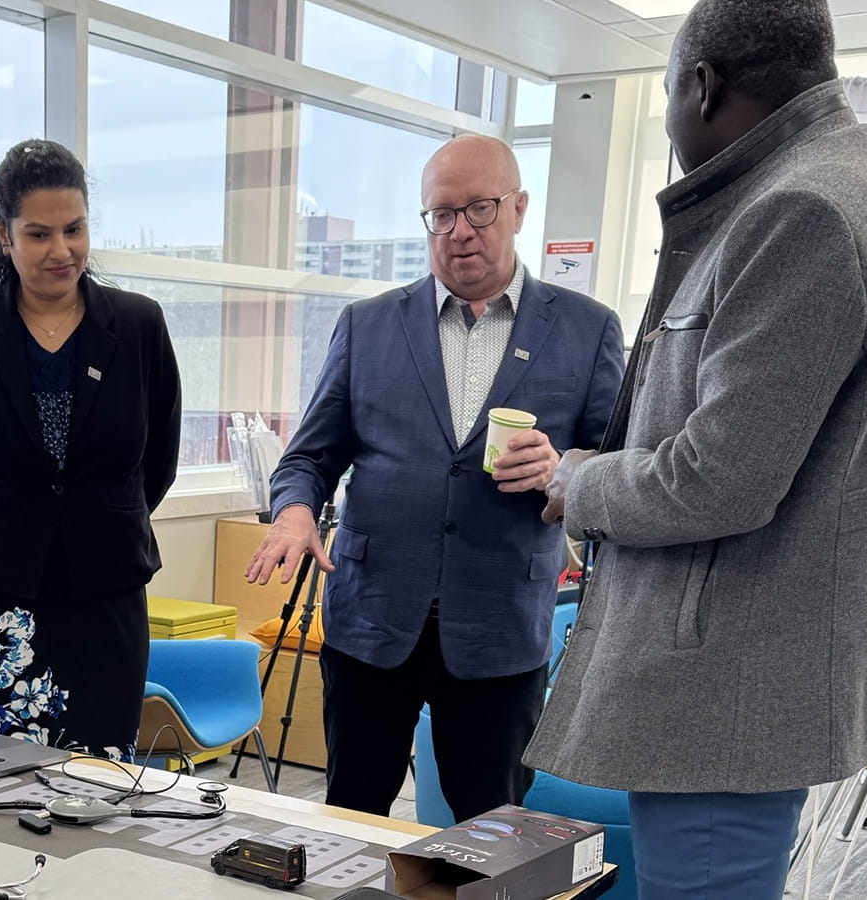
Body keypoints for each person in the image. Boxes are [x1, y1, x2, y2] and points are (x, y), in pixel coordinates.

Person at [524, 2, 867, 897]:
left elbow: (716, 480)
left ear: (700, 85)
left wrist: (583, 479)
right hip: (729, 678)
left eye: (670, 89)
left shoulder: (803, 210)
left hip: (725, 690)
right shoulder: (826, 185)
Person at [247, 135, 625, 820]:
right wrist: (294, 512)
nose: (459, 232)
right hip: (371, 620)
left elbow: (620, 469)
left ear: (518, 208)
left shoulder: (587, 331)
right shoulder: (368, 325)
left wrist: (561, 470)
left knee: (493, 828)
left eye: (478, 210)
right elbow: (308, 457)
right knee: (352, 815)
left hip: (500, 624)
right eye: (441, 215)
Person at [0, 138, 182, 759]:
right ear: (4, 236)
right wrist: (17, 522)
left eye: (74, 229)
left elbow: (159, 457)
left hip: (104, 589)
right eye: (39, 234)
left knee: (99, 774)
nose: (61, 251)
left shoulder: (138, 325)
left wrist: (96, 518)